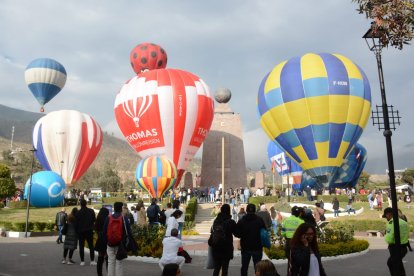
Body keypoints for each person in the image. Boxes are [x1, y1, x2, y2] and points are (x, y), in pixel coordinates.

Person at [234, 203, 266, 276]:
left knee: (244, 267)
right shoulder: (259, 220)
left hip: (246, 247)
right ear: (255, 210)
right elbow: (264, 232)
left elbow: (237, 233)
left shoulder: (242, 220)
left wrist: (242, 234)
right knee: (258, 268)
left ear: (246, 210)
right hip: (257, 247)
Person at [104, 202, 134, 276]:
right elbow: (129, 231)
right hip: (120, 244)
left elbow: (104, 231)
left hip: (110, 243)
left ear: (114, 208)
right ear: (121, 209)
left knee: (110, 262)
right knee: (119, 262)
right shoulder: (124, 218)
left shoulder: (108, 218)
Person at [209, 204, 236, 276]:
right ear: (229, 211)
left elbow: (212, 232)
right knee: (225, 269)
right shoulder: (231, 221)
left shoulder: (216, 220)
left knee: (217, 268)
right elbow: (237, 233)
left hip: (216, 246)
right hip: (226, 248)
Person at [382, 207, 410, 276]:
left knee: (391, 264)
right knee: (398, 264)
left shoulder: (391, 223)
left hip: (396, 249)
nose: (386, 219)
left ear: (388, 214)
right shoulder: (403, 222)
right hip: (404, 248)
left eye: (386, 217)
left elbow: (389, 239)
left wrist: (384, 234)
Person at [76, 198, 96, 266]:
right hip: (89, 230)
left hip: (81, 231)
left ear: (80, 204)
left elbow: (76, 223)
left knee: (81, 246)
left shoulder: (78, 212)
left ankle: (82, 261)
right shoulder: (91, 211)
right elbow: (94, 220)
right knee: (91, 246)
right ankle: (92, 260)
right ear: (86, 204)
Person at [95, 207, 110, 276]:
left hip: (100, 241)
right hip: (106, 240)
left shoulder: (98, 220)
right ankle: (109, 273)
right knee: (107, 259)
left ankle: (99, 274)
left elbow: (96, 229)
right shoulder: (107, 220)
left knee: (100, 259)